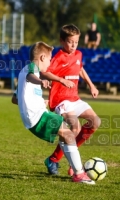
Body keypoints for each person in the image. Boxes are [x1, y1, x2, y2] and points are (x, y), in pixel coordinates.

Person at [11, 41, 95, 184]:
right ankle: (79, 173)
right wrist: (40, 82)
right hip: (37, 117)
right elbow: (32, 76)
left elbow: (14, 99)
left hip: (37, 115)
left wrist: (39, 101)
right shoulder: (32, 69)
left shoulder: (23, 71)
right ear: (42, 57)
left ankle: (59, 163)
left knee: (66, 134)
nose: (49, 63)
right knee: (69, 134)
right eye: (49, 59)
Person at [40, 24, 101, 176]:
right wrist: (60, 80)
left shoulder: (79, 54)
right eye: (70, 42)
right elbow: (45, 73)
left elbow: (80, 69)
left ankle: (57, 158)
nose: (73, 45)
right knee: (75, 129)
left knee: (96, 122)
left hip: (74, 98)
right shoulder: (59, 57)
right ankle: (67, 163)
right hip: (61, 100)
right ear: (62, 41)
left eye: (76, 42)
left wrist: (91, 85)